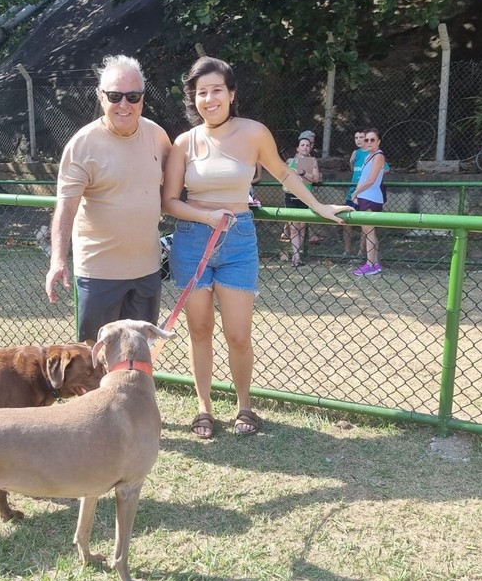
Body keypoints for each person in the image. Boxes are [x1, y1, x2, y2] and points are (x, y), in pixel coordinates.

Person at [162, 56, 351, 438]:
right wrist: (207, 218)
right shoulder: (184, 142)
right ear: (193, 99)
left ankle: (244, 406)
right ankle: (204, 408)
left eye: (217, 90)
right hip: (193, 240)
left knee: (238, 334)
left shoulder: (253, 133)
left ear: (231, 94)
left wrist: (319, 205)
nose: (209, 99)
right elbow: (169, 201)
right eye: (201, 93)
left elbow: (283, 172)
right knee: (199, 329)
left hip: (239, 241)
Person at [45, 55, 171, 342]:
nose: (124, 105)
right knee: (95, 360)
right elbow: (66, 208)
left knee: (138, 360)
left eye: (132, 96)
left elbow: (177, 187)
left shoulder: (158, 137)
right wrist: (57, 261)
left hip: (147, 269)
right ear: (101, 97)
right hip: (99, 273)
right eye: (114, 96)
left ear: (143, 99)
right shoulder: (82, 145)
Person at [350, 127, 386, 276]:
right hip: (364, 197)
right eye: (367, 140)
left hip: (372, 197)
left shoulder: (379, 156)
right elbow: (362, 179)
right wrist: (356, 195)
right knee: (367, 230)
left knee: (369, 231)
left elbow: (371, 180)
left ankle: (371, 264)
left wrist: (356, 192)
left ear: (378, 141)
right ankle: (372, 262)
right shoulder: (367, 157)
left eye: (372, 140)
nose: (369, 142)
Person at [284, 134, 321, 267]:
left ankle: (298, 253)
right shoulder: (290, 161)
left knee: (302, 227)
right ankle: (296, 255)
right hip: (292, 196)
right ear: (297, 148)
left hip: (306, 196)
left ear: (310, 147)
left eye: (307, 145)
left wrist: (303, 172)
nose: (305, 147)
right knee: (293, 227)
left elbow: (315, 179)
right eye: (302, 145)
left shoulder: (313, 161)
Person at [344, 129, 367, 257]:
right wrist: (351, 162)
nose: (358, 139)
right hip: (352, 192)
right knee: (346, 222)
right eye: (356, 137)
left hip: (365, 193)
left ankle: (361, 252)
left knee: (365, 224)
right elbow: (354, 170)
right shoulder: (356, 153)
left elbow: (384, 169)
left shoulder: (372, 153)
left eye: (361, 137)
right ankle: (348, 250)